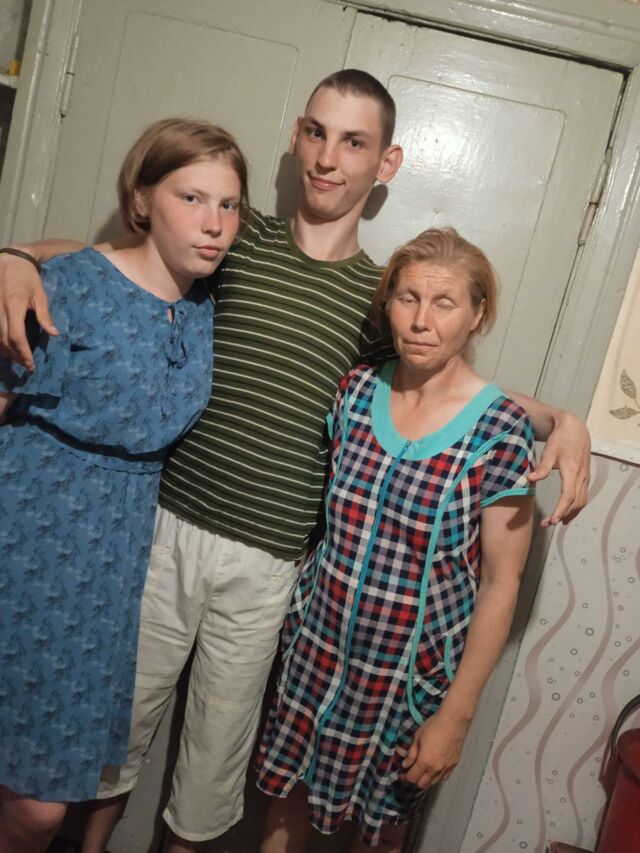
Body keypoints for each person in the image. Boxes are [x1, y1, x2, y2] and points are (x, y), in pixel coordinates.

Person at [0, 71, 590, 853]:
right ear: (295, 137)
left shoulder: (379, 297)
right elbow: (115, 259)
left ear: (386, 163)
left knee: (212, 767)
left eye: (353, 142)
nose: (327, 157)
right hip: (163, 531)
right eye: (315, 132)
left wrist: (562, 419)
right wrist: (16, 254)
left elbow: (448, 377)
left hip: (271, 561)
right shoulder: (235, 238)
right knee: (116, 737)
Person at [0, 118, 248, 853]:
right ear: (142, 200)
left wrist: (545, 416)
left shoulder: (204, 301)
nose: (213, 223)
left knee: (42, 799)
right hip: (25, 534)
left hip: (109, 567)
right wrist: (13, 255)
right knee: (35, 807)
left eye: (228, 205)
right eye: (190, 197)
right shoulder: (70, 286)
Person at [257, 227, 535, 853]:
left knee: (380, 831)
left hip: (409, 680)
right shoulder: (357, 391)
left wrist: (456, 716)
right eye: (407, 298)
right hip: (316, 652)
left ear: (477, 315)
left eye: (444, 303)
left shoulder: (502, 430)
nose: (421, 320)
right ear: (388, 305)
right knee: (285, 806)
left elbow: (502, 584)